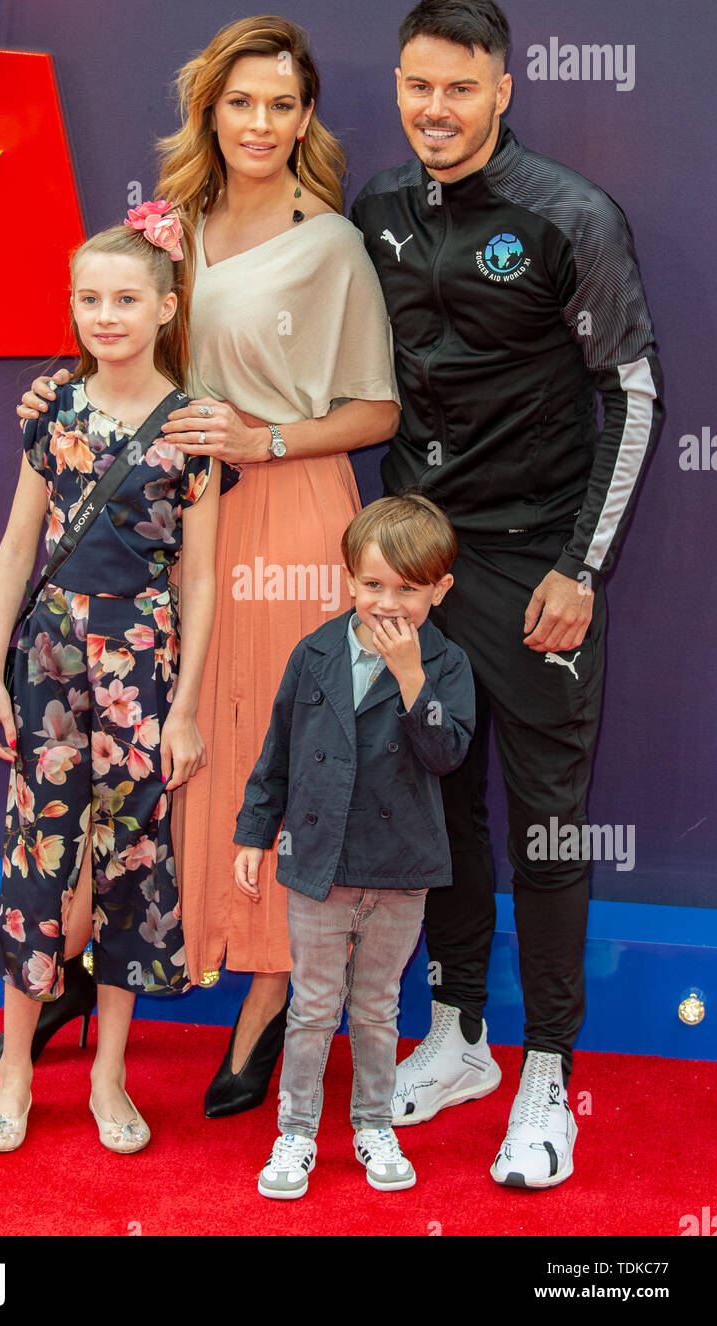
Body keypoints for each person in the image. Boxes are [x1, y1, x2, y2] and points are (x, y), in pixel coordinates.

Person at [0, 17, 401, 1116]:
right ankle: (72, 976)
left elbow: (376, 407)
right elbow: (117, 340)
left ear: (305, 117)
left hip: (290, 520)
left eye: (280, 104)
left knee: (276, 756)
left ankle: (263, 1012)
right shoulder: (164, 229)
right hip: (164, 528)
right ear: (209, 110)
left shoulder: (335, 247)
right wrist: (52, 395)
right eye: (239, 102)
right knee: (156, 756)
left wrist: (258, 437)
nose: (259, 123)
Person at [349, 0, 663, 1187]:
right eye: (418, 86)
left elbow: (631, 395)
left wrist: (579, 567)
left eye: (460, 88)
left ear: (502, 89)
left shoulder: (568, 215)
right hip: (419, 568)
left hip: (535, 566)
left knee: (544, 821)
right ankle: (461, 1034)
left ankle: (548, 1074)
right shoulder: (377, 206)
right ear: (399, 85)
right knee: (442, 808)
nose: (436, 108)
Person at [0, 205, 238, 1152]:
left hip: (143, 662)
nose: (105, 315)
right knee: (38, 854)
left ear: (166, 307)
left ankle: (110, 1076)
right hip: (46, 657)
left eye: (126, 298)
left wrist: (186, 710)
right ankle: (11, 1073)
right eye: (88, 298)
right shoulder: (50, 408)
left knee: (133, 861)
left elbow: (201, 578)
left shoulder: (196, 425)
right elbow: (14, 546)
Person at [233, 495, 474, 1199]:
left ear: (439, 590)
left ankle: (372, 1124)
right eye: (372, 586)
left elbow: (447, 755)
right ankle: (296, 1133)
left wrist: (409, 677)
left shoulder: (447, 664)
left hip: (400, 866)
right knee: (310, 1007)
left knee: (373, 1009)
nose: (387, 603)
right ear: (347, 580)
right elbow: (277, 750)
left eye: (407, 589)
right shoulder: (312, 653)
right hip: (317, 860)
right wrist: (253, 833)